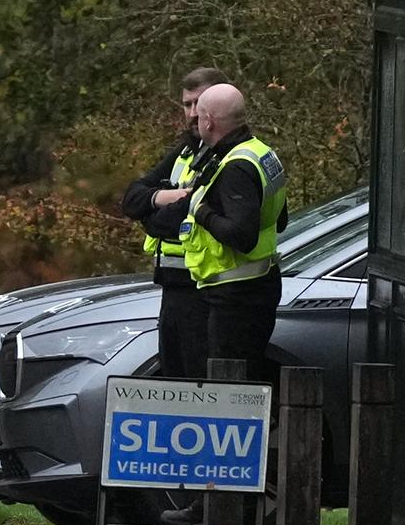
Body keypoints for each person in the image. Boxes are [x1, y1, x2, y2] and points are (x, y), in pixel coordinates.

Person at [174, 82, 288, 376]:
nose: (195, 122)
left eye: (198, 116)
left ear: (209, 121)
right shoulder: (260, 151)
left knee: (229, 383)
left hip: (236, 297)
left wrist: (202, 213)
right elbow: (280, 217)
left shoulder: (236, 166)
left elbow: (243, 236)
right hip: (258, 284)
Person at [117, 68, 225, 378]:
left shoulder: (226, 157)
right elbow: (131, 199)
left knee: (200, 388)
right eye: (187, 105)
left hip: (206, 294)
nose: (192, 114)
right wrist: (168, 197)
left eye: (199, 104)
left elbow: (163, 224)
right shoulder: (187, 152)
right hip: (173, 291)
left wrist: (155, 209)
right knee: (175, 386)